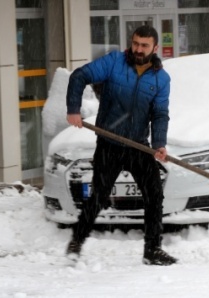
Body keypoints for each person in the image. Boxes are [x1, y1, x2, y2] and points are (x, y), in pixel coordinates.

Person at [64, 25, 177, 266]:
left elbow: (159, 114)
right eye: (135, 43)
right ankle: (77, 241)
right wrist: (73, 109)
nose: (138, 49)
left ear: (155, 48)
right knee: (99, 197)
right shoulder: (115, 62)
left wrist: (159, 143)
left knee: (154, 195)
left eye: (144, 45)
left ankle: (153, 249)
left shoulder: (161, 79)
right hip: (109, 144)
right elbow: (79, 76)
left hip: (138, 146)